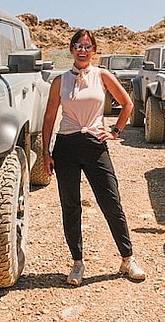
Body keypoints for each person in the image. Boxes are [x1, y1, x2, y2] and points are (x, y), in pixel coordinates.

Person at [41, 29, 146, 286]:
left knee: (111, 200)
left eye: (88, 46)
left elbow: (127, 104)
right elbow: (49, 117)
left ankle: (127, 258)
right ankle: (77, 263)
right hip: (66, 145)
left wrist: (115, 131)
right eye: (78, 45)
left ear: (94, 50)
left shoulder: (102, 75)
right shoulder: (60, 81)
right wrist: (45, 152)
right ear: (71, 50)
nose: (83, 50)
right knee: (71, 204)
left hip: (95, 145)